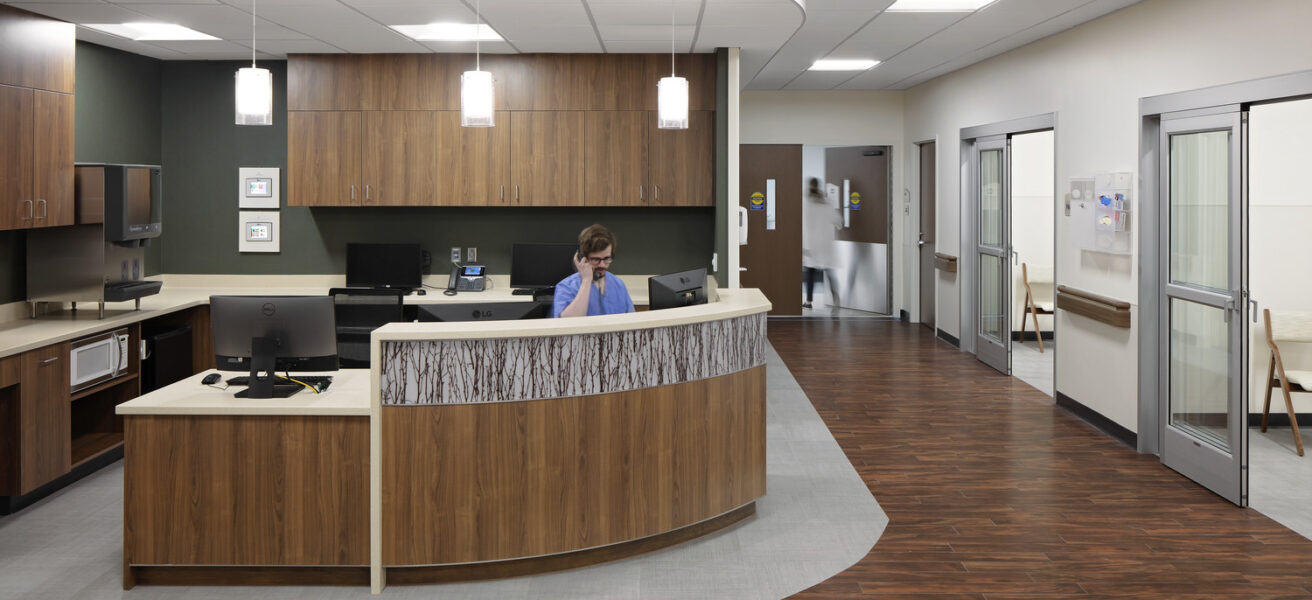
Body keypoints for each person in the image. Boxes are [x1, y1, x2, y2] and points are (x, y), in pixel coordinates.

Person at [552, 224, 635, 318]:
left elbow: (631, 322)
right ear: (583, 258)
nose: (602, 265)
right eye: (596, 259)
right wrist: (586, 281)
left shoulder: (618, 285)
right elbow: (568, 324)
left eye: (607, 258)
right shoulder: (566, 287)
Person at [802, 177, 841, 309]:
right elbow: (838, 221)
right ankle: (836, 297)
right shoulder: (827, 203)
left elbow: (805, 225)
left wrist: (805, 246)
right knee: (829, 271)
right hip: (825, 243)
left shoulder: (807, 203)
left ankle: (808, 301)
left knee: (810, 272)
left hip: (812, 243)